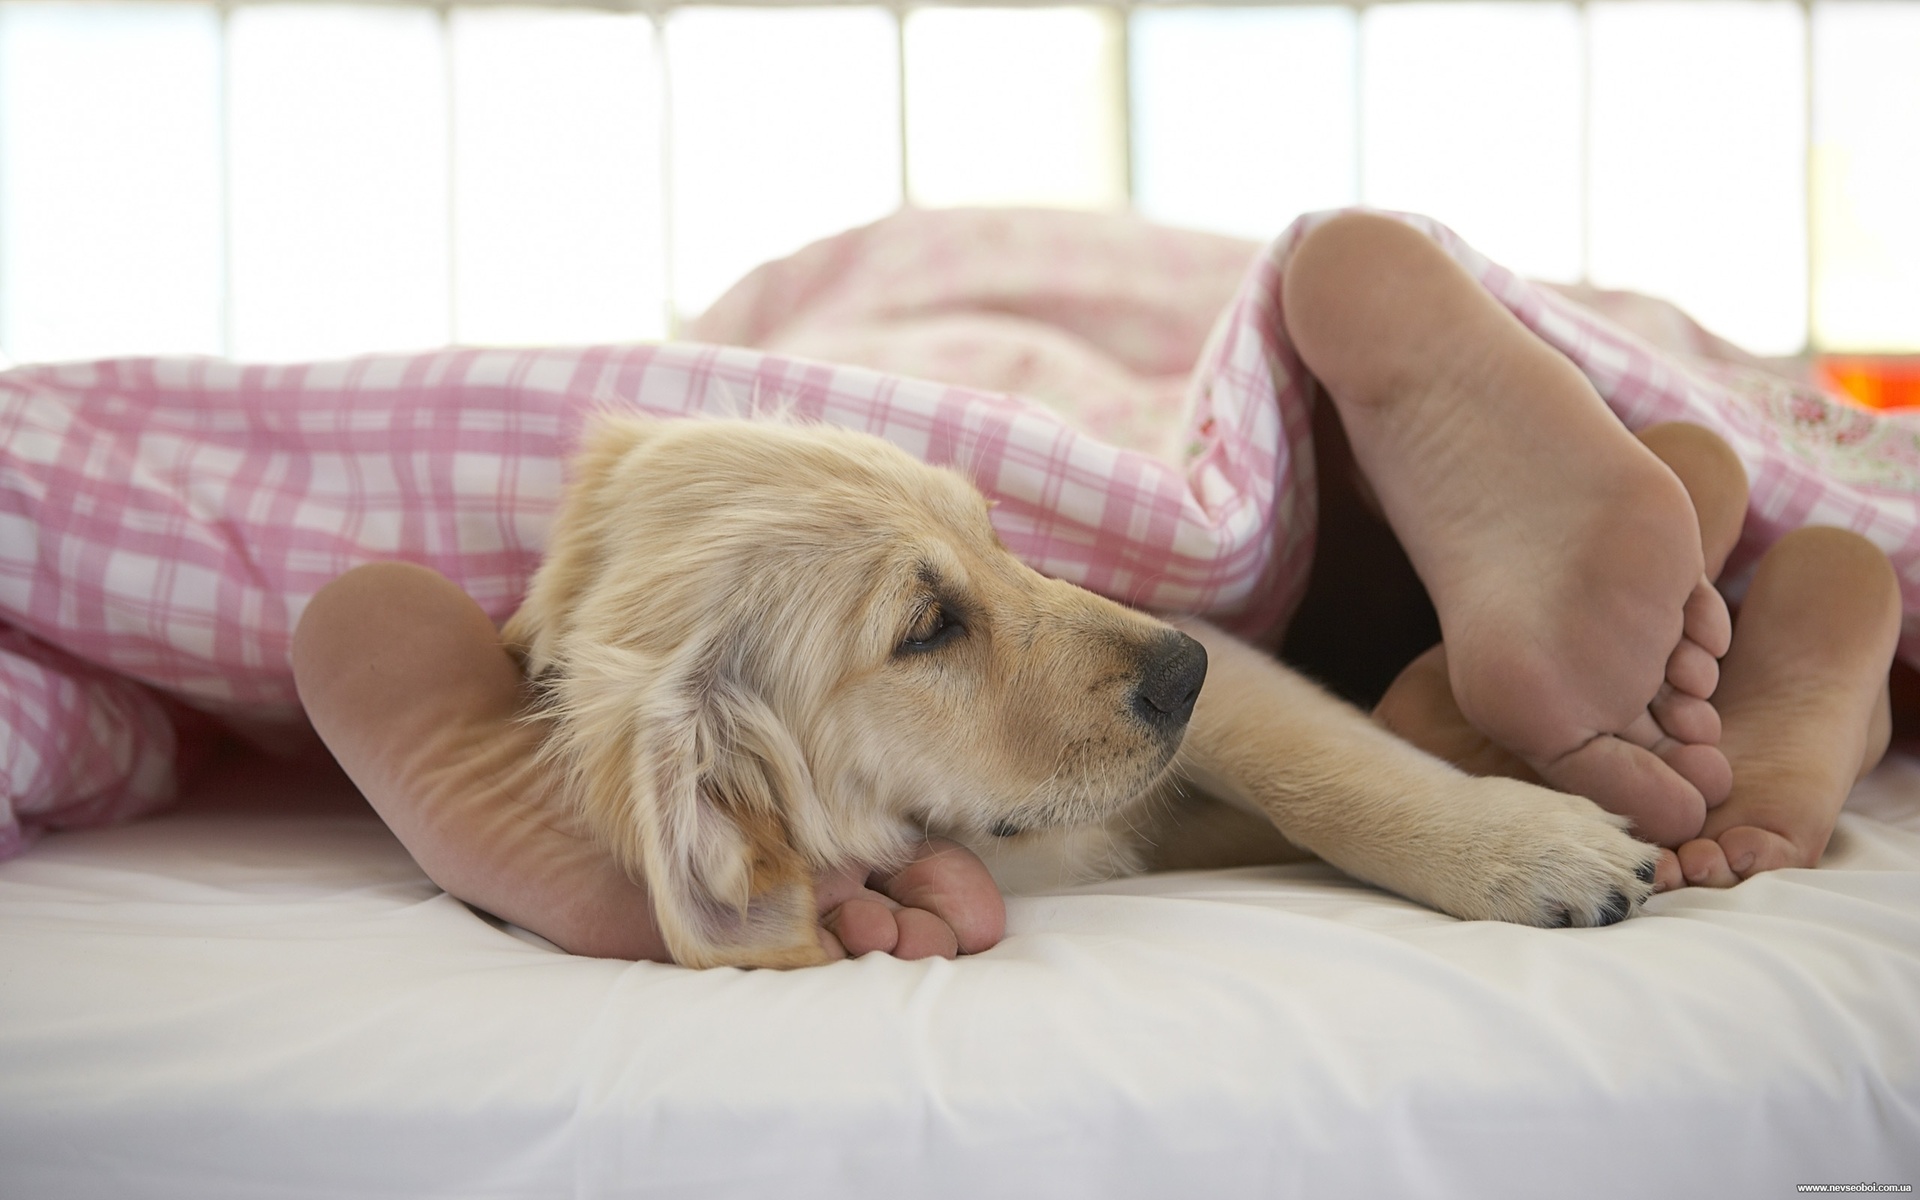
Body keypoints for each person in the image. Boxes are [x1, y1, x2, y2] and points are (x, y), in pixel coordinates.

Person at [289, 210, 1904, 960]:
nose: (1128, 647)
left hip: (1023, 351)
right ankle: (1736, 664)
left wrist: (1431, 836)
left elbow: (1186, 645)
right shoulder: (708, 681)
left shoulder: (720, 468)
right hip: (683, 725)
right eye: (934, 623)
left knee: (1236, 593)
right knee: (1329, 679)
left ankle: (1573, 527)